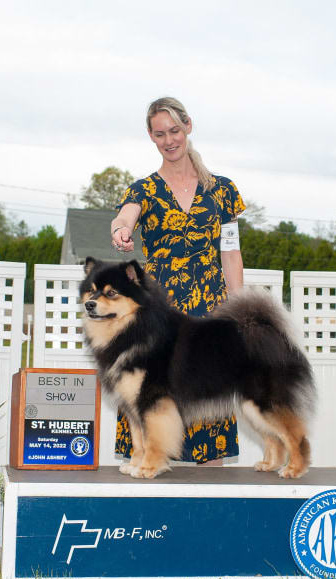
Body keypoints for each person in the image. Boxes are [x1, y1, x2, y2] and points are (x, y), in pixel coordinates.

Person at [110, 96, 245, 464]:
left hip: (210, 316)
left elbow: (230, 253)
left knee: (208, 420)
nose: (169, 140)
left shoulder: (222, 190)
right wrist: (121, 230)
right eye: (159, 134)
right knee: (151, 409)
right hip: (159, 321)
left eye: (174, 130)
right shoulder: (143, 189)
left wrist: (240, 312)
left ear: (188, 126)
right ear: (151, 137)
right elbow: (125, 217)